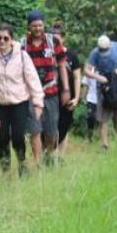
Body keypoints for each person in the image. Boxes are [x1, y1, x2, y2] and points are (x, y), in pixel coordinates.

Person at [0, 23, 44, 177]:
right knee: (2, 138)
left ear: (11, 40)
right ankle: (6, 172)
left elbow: (33, 80)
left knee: (18, 136)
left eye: (5, 38)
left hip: (19, 103)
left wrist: (38, 102)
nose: (2, 41)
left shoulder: (22, 56)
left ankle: (22, 164)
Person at [20, 10, 69, 166]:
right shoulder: (22, 45)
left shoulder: (52, 41)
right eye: (34, 25)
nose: (38, 28)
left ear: (44, 25)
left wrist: (66, 89)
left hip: (50, 91)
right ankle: (38, 163)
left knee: (51, 130)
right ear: (29, 27)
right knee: (34, 129)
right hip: (31, 94)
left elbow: (62, 65)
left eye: (40, 25)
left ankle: (48, 154)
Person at [84, 34, 117, 150]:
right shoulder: (95, 53)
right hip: (104, 85)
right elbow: (86, 70)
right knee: (103, 118)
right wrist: (98, 77)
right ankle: (104, 145)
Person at [51, 22, 81, 160]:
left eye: (58, 36)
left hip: (68, 95)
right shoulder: (47, 53)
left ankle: (60, 156)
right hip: (50, 95)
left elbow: (77, 77)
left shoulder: (71, 55)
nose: (56, 39)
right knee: (50, 124)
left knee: (64, 124)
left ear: (63, 37)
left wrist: (77, 98)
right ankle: (50, 154)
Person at [80, 75, 98, 141]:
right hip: (91, 99)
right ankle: (89, 136)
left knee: (101, 119)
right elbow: (85, 84)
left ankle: (99, 136)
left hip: (102, 99)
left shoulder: (104, 70)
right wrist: (83, 97)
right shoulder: (89, 71)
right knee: (90, 118)